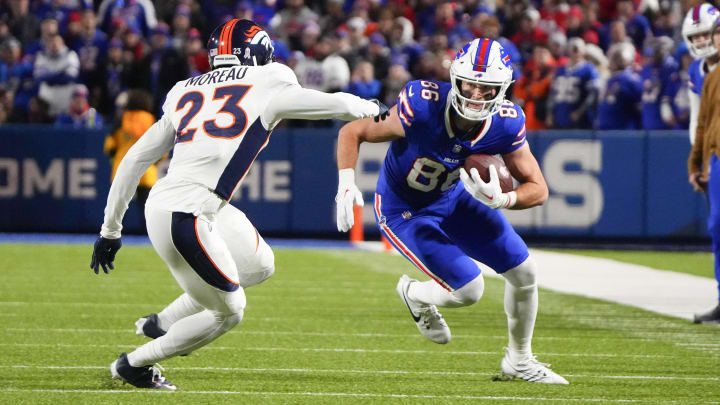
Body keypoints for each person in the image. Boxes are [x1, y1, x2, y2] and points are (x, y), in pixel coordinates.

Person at [89, 18, 388, 390]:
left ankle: (161, 323)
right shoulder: (270, 79)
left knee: (259, 265)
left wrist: (110, 230)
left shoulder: (184, 89)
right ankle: (134, 364)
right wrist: (373, 108)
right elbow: (336, 103)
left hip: (188, 205)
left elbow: (133, 160)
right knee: (229, 312)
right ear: (258, 52)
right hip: (186, 214)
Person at [335, 38, 568, 384]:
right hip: (405, 209)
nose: (475, 94)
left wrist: (503, 200)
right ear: (455, 79)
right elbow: (354, 131)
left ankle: (519, 361)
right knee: (469, 290)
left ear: (501, 90)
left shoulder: (505, 124)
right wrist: (345, 181)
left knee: (525, 273)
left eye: (486, 88)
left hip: (455, 197)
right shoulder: (422, 105)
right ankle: (414, 293)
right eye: (470, 83)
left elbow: (539, 189)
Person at [688, 19, 720, 325]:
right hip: (717, 159)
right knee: (717, 226)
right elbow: (703, 124)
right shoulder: (711, 78)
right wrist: (696, 162)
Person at [103, 89, 156, 232]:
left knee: (118, 208)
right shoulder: (150, 119)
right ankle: (150, 236)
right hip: (146, 168)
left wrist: (114, 156)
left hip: (123, 166)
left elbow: (110, 145)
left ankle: (112, 235)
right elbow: (160, 145)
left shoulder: (121, 119)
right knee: (147, 207)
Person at [682, 3, 720, 145]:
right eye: (695, 36)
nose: (702, 41)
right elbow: (697, 118)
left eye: (705, 34)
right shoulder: (695, 70)